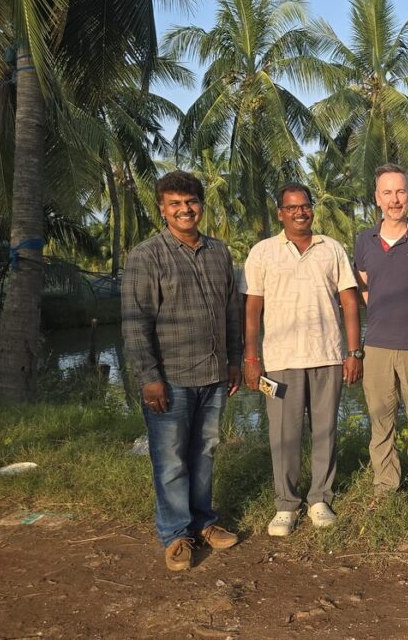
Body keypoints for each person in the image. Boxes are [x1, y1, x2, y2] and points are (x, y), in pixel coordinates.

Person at [121, 170, 242, 572]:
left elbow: (230, 313)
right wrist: (148, 377)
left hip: (213, 374)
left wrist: (234, 360)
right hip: (169, 377)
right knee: (171, 459)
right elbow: (136, 322)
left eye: (190, 202)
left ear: (200, 205)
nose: (184, 210)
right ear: (163, 209)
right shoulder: (146, 255)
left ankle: (202, 522)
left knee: (205, 452)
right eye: (175, 204)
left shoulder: (219, 252)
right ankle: (175, 535)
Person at [243, 182, 362, 537]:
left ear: (312, 209)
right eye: (291, 207)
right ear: (280, 213)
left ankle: (319, 499)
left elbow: (350, 303)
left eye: (305, 205)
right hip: (280, 362)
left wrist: (354, 352)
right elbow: (252, 308)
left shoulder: (332, 249)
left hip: (327, 356)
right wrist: (252, 356)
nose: (299, 212)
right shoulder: (263, 252)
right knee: (284, 434)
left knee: (325, 430)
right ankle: (286, 504)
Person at [354, 164, 408, 506]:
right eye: (387, 192)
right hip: (376, 345)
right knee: (380, 419)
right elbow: (364, 287)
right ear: (377, 199)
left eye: (401, 191)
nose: (395, 199)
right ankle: (385, 485)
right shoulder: (364, 240)